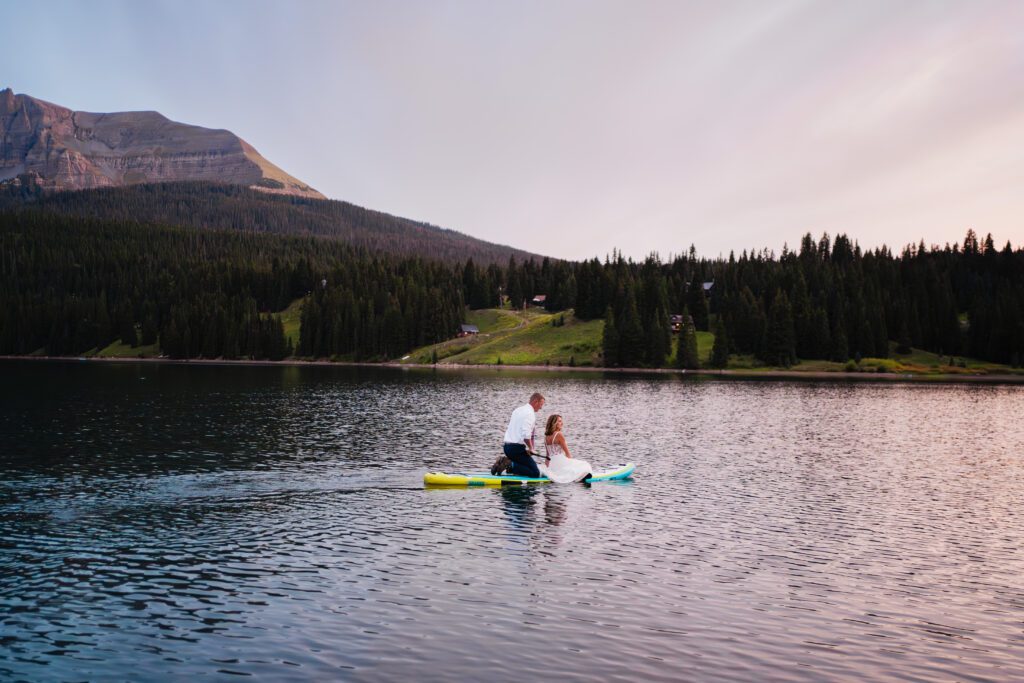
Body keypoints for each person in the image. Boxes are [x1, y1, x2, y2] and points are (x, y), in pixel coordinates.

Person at [494, 392, 545, 477]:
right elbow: (526, 435)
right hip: (516, 449)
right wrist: (531, 448)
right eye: (541, 404)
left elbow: (518, 432)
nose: (541, 407)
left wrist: (527, 449)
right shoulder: (530, 414)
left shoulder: (517, 410)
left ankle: (508, 464)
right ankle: (509, 464)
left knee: (526, 466)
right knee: (535, 473)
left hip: (507, 447)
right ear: (536, 401)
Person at [539, 414, 592, 483]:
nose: (562, 423)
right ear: (554, 423)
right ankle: (578, 477)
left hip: (552, 463)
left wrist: (547, 468)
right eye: (559, 421)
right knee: (585, 465)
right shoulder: (559, 434)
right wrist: (571, 464)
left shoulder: (546, 437)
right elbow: (568, 453)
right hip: (560, 461)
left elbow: (547, 455)